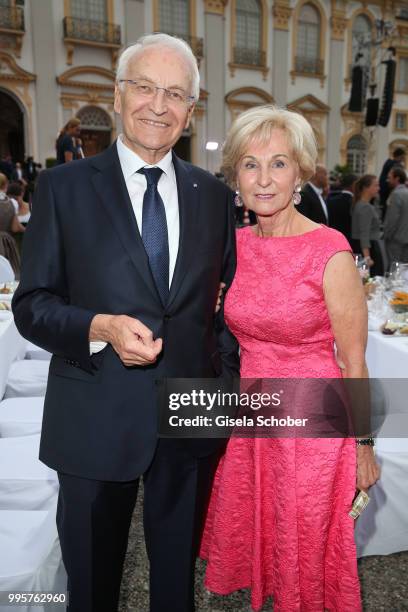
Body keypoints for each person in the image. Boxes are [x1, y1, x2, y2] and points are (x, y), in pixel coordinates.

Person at [12, 33, 239, 612]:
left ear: (191, 108)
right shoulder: (63, 188)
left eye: (174, 93)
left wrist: (224, 390)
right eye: (143, 87)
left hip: (189, 414)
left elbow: (224, 305)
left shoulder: (213, 196)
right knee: (91, 583)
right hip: (92, 415)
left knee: (174, 589)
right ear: (117, 95)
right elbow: (31, 303)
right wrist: (101, 327)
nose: (157, 105)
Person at [200, 105, 380, 611]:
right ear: (236, 174)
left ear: (300, 171)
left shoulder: (330, 251)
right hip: (254, 420)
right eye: (250, 165)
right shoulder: (231, 247)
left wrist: (364, 445)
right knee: (271, 543)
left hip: (314, 428)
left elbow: (354, 361)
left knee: (305, 553)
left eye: (278, 163)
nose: (263, 179)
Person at [351, 175, 384, 276]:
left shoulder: (359, 204)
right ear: (366, 188)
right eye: (375, 185)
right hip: (367, 248)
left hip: (362, 246)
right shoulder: (365, 207)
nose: (378, 188)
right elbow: (364, 233)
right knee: (370, 279)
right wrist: (367, 258)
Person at [0, 173, 25, 276]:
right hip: (6, 243)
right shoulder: (11, 203)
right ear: (5, 185)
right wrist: (26, 229)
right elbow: (15, 228)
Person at [383, 166, 408, 264]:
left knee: (394, 268)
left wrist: (386, 235)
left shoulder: (396, 194)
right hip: (405, 237)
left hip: (396, 240)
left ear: (397, 178)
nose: (387, 180)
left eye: (390, 177)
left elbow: (392, 219)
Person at [327, 173, 358, 242]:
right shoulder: (355, 203)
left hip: (333, 238)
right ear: (354, 185)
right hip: (349, 241)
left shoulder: (331, 200)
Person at [379, 147, 405, 216]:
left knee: (384, 209)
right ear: (400, 156)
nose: (404, 159)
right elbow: (400, 178)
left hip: (383, 189)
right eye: (403, 157)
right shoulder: (395, 165)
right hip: (389, 190)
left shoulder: (388, 162)